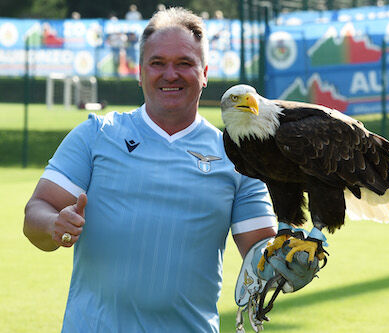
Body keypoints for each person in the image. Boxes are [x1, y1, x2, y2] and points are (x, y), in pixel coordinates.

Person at [23, 7, 287, 332]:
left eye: (184, 63)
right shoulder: (96, 135)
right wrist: (54, 224)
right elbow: (36, 211)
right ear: (140, 72)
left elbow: (262, 256)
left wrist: (290, 259)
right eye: (158, 63)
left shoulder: (238, 158)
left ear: (204, 73)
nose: (170, 74)